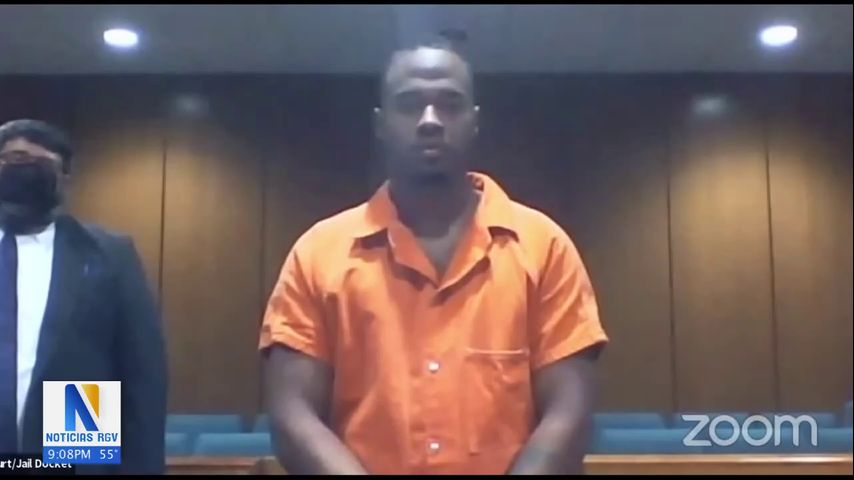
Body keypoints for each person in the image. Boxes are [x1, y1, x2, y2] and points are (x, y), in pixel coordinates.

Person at [260, 41, 608, 475]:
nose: (430, 121)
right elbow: (293, 414)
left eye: (449, 104)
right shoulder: (317, 253)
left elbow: (570, 410)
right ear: (381, 124)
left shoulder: (544, 246)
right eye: (410, 105)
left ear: (474, 122)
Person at [0, 119, 167, 474]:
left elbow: (142, 376)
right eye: (12, 161)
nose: (21, 173)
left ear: (64, 178)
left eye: (36, 164)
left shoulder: (107, 254)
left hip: (72, 446)